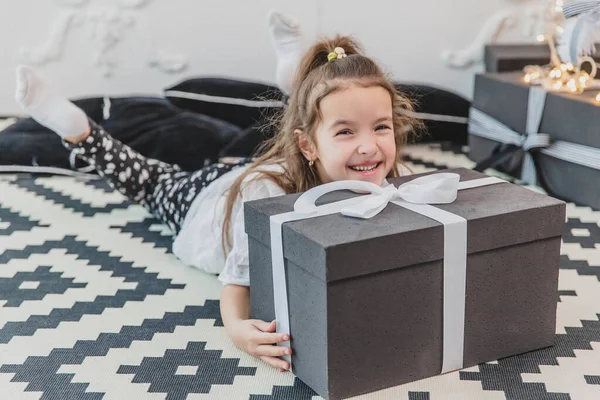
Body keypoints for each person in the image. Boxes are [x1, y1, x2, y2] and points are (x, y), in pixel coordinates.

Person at [14, 34, 422, 373]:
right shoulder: (269, 197)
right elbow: (237, 279)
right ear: (309, 146)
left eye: (381, 127)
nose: (369, 146)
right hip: (203, 202)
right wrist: (238, 329)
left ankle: (291, 86)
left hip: (254, 168)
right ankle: (78, 131)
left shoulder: (381, 170)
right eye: (346, 132)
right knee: (149, 180)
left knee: (249, 144)